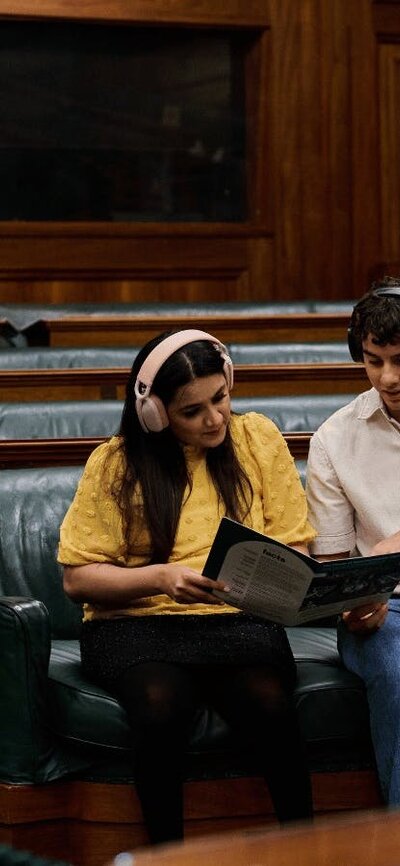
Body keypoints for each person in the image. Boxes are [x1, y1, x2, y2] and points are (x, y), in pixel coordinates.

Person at [58, 328, 315, 845]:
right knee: (160, 704)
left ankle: (308, 848)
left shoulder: (258, 438)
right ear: (154, 413)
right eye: (192, 411)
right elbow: (76, 578)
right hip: (136, 625)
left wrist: (276, 579)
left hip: (237, 621)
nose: (215, 418)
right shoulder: (115, 462)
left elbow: (296, 547)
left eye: (220, 398)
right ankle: (166, 855)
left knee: (269, 702)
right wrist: (161, 578)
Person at [306, 278, 400, 806]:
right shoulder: (334, 438)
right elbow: (335, 564)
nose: (388, 378)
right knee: (398, 670)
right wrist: (352, 604)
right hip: (387, 613)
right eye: (373, 360)